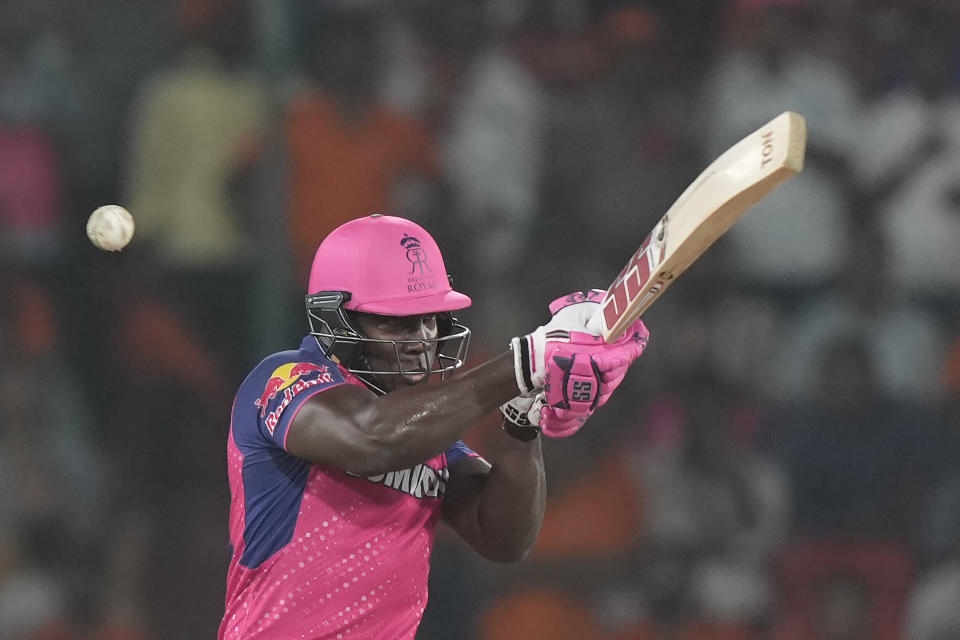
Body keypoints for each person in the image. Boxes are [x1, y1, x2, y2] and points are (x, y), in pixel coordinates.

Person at [217, 214, 649, 639]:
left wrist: (522, 416)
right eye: (395, 321)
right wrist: (526, 360)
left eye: (429, 318)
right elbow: (371, 438)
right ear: (337, 321)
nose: (421, 338)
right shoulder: (283, 380)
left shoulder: (425, 432)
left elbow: (504, 538)